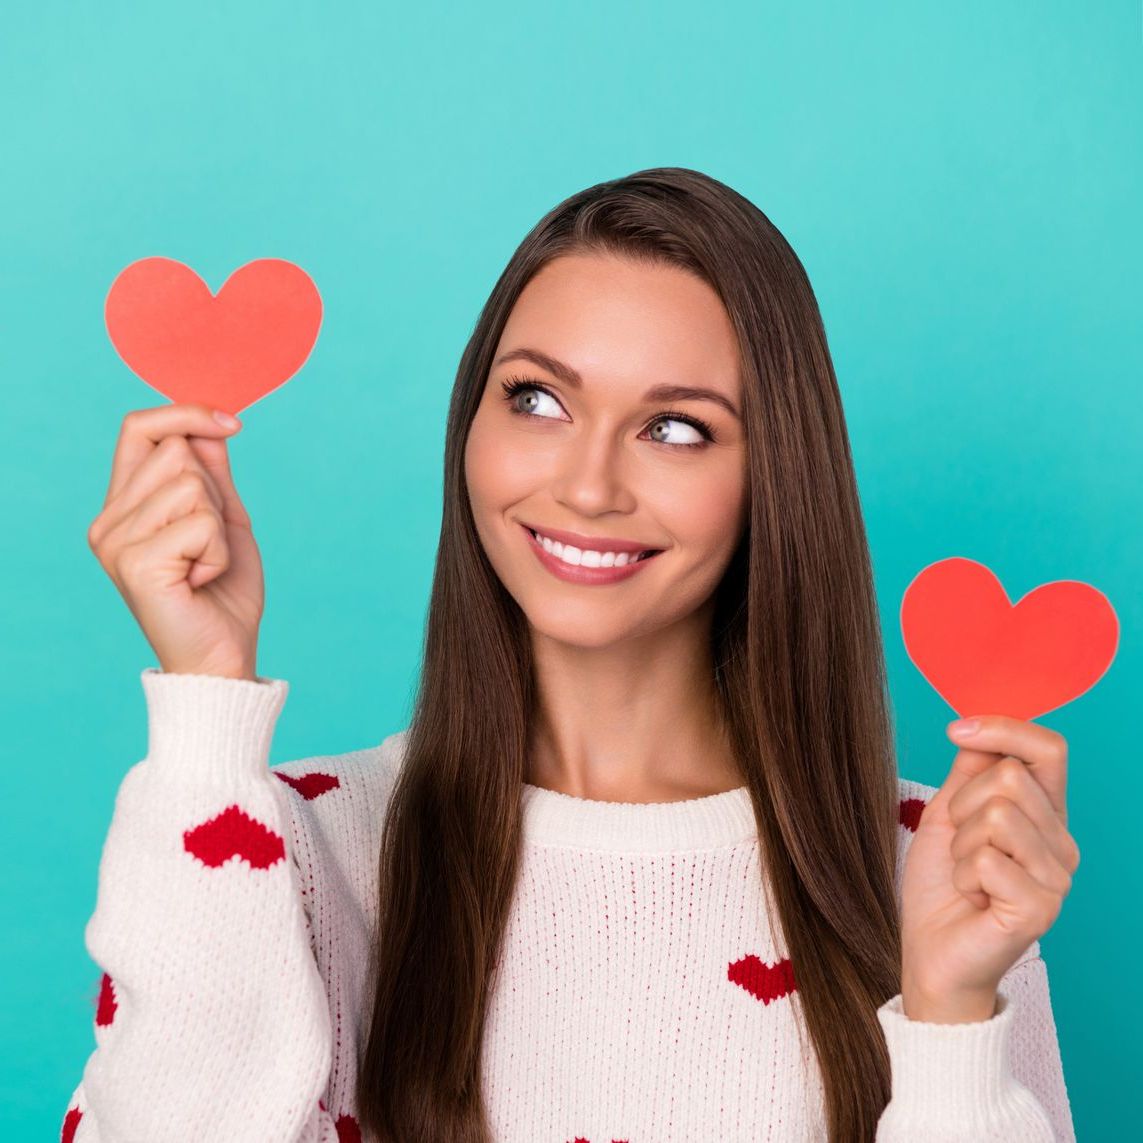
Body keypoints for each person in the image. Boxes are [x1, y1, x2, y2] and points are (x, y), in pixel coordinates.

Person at [65, 168, 1076, 1142]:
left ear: (775, 477)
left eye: (675, 428)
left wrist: (950, 1011)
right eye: (538, 401)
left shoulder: (927, 865)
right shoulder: (291, 847)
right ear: (470, 422)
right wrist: (205, 704)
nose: (588, 486)